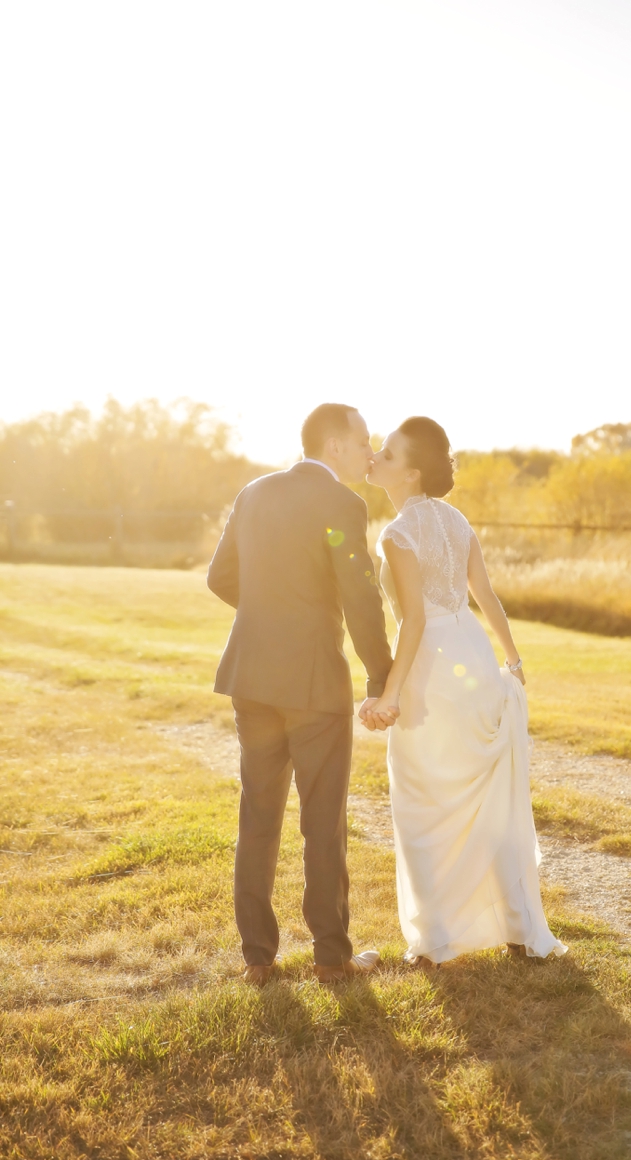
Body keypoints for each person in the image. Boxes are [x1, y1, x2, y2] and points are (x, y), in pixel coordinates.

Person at [362, 417, 567, 967]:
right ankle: (518, 929)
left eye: (385, 453)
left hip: (431, 671)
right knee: (487, 802)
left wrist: (391, 693)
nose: (373, 458)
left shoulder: (396, 534)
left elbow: (411, 624)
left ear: (409, 473)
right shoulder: (456, 521)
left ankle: (439, 938)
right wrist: (513, 660)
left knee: (423, 802)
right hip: (475, 662)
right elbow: (487, 598)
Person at [208, 404, 395, 984]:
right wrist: (382, 676)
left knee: (257, 817)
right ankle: (332, 958)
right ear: (336, 446)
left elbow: (219, 577)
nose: (371, 451)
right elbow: (363, 602)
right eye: (365, 440)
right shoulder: (343, 503)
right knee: (323, 820)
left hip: (252, 678)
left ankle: (258, 959)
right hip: (314, 683)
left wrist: (271, 613)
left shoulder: (254, 492)